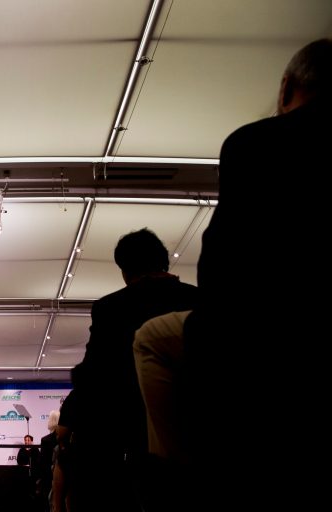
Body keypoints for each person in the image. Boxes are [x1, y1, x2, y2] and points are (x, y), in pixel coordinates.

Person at [134, 38, 332, 512]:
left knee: (150, 339)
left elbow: (225, 257)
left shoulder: (255, 142)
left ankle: (180, 471)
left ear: (286, 87)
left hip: (255, 331)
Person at [57, 228, 198, 512]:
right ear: (164, 261)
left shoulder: (111, 308)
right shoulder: (198, 301)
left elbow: (94, 375)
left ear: (124, 269)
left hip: (133, 440)